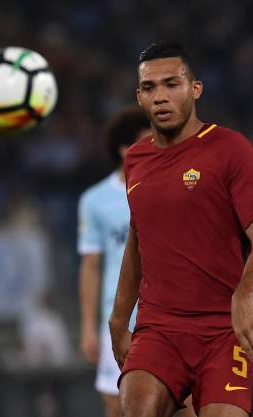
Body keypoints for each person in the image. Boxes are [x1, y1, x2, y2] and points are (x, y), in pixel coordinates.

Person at [110, 41, 253, 417]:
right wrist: (119, 318)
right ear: (139, 97)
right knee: (135, 407)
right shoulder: (136, 159)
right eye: (150, 88)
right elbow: (140, 237)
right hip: (161, 328)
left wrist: (244, 297)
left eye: (172, 84)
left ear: (195, 89)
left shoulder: (232, 151)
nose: (161, 97)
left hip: (226, 329)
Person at [77, 107, 152, 417]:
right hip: (119, 316)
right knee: (115, 404)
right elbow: (91, 266)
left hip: (165, 312)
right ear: (125, 150)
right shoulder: (95, 201)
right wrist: (87, 328)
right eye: (147, 141)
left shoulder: (171, 188)